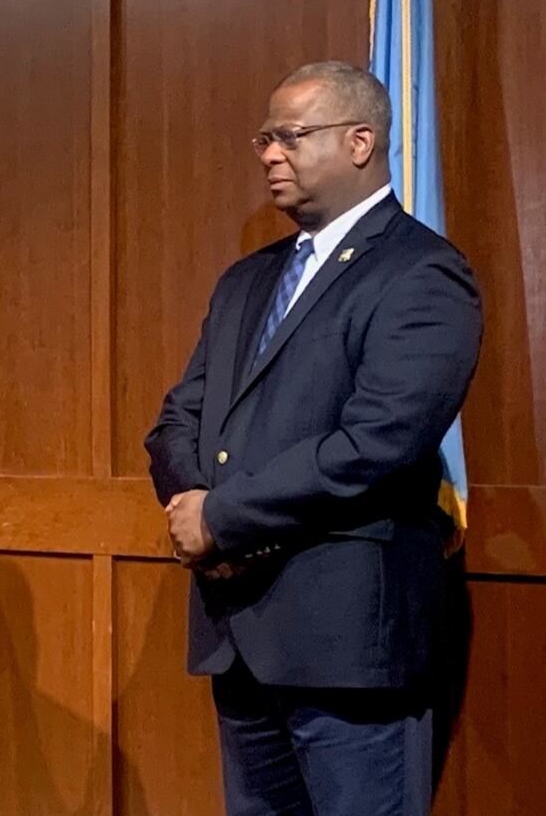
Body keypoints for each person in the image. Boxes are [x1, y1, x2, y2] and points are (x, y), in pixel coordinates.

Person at [145, 61, 482, 815]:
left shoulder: (421, 273)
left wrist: (224, 520)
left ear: (360, 141)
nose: (268, 153)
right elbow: (177, 418)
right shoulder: (245, 281)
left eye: (290, 136)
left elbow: (379, 442)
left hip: (347, 647)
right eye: (264, 137)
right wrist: (190, 502)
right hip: (239, 634)